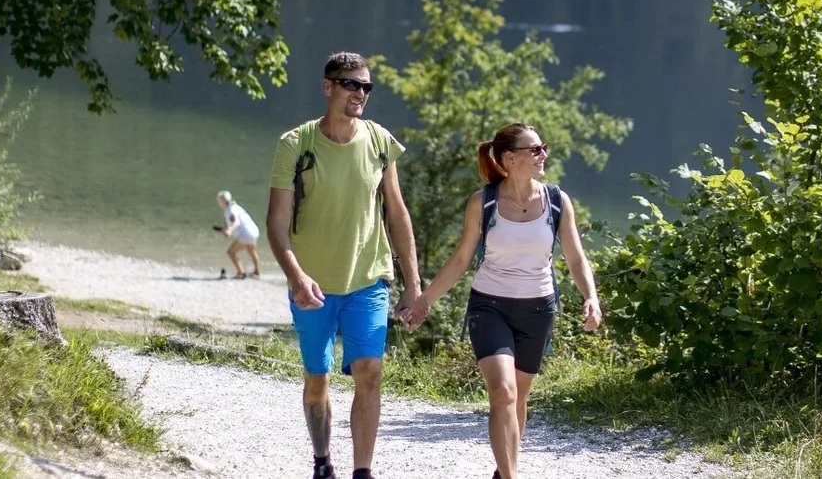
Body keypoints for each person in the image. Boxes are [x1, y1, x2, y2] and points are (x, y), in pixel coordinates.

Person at [407, 122, 603, 479]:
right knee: (503, 392)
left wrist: (591, 296)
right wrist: (424, 300)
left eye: (543, 147)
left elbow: (575, 256)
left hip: (538, 308)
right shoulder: (484, 202)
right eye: (535, 149)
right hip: (489, 306)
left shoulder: (557, 201)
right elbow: (461, 259)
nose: (543, 154)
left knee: (518, 399)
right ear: (510, 159)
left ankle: (503, 470)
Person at [265, 51, 423, 479]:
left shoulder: (379, 141)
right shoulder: (295, 144)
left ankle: (362, 472)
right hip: (312, 286)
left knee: (369, 372)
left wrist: (414, 284)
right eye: (352, 84)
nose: (360, 94)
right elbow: (276, 223)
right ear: (327, 86)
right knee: (318, 378)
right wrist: (296, 276)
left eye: (367, 87)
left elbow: (397, 214)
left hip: (368, 280)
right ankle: (322, 460)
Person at [217, 190, 263, 279]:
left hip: (245, 234)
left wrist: (229, 230)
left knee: (231, 252)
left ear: (222, 201)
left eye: (219, 201)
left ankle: (240, 272)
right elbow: (234, 221)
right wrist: (224, 227)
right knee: (252, 251)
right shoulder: (234, 206)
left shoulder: (230, 210)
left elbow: (235, 222)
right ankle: (257, 272)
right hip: (253, 231)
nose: (219, 203)